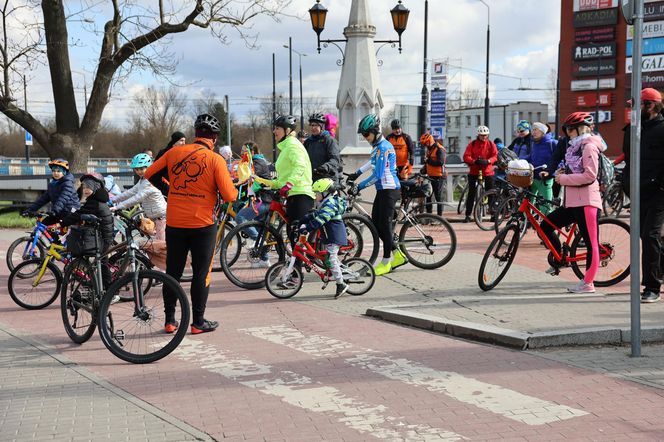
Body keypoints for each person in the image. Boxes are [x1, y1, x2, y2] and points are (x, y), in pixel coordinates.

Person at [144, 114, 237, 335]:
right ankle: (198, 322)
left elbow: (149, 174)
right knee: (201, 273)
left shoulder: (174, 152)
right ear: (214, 138)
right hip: (202, 224)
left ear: (196, 134)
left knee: (172, 272)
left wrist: (170, 191)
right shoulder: (216, 160)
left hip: (175, 222)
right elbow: (229, 194)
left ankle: (169, 320)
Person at [541, 112, 602, 294]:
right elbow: (574, 169)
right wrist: (561, 172)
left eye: (570, 129)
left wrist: (564, 179)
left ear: (579, 129)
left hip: (587, 202)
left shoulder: (589, 147)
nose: (567, 132)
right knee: (546, 225)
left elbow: (590, 176)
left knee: (592, 244)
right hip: (572, 202)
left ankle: (588, 283)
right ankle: (560, 258)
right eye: (566, 129)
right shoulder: (574, 147)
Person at [347, 114, 404, 276]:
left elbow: (378, 174)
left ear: (375, 131)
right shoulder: (377, 147)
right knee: (376, 225)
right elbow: (371, 163)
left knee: (384, 225)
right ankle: (398, 254)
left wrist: (360, 186)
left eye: (366, 134)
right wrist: (356, 173)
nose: (365, 138)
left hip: (390, 190)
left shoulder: (384, 147)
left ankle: (386, 261)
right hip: (383, 190)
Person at [622, 88, 664, 303]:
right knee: (646, 237)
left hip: (658, 194)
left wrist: (660, 185)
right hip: (637, 193)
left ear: (652, 106)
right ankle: (660, 268)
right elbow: (629, 160)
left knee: (649, 237)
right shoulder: (631, 130)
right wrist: (626, 185)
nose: (634, 109)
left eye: (639, 105)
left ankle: (652, 287)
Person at [264, 115, 315, 266]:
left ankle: (296, 273)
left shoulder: (293, 145)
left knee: (296, 235)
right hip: (293, 194)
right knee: (292, 233)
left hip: (301, 193)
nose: (274, 131)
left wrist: (289, 185)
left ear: (287, 130)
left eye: (277, 128)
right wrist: (264, 183)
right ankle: (295, 269)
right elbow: (282, 178)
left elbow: (299, 167)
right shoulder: (286, 147)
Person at [59, 173, 114, 289]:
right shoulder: (96, 199)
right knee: (101, 262)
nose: (86, 190)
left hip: (104, 237)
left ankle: (111, 290)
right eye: (84, 187)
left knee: (102, 263)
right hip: (101, 235)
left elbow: (79, 214)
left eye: (89, 187)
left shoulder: (95, 202)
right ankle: (100, 287)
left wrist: (62, 222)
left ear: (96, 187)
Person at [298, 178, 349, 298]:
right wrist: (303, 220)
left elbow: (321, 219)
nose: (315, 196)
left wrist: (308, 227)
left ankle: (341, 284)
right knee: (328, 258)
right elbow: (316, 214)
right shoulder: (326, 203)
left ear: (325, 192)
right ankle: (336, 273)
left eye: (317, 193)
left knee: (331, 259)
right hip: (330, 235)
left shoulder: (330, 203)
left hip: (335, 236)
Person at [110, 153, 167, 240]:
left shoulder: (150, 182)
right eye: (136, 169)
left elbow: (138, 198)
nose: (139, 171)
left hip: (161, 218)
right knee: (155, 244)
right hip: (154, 217)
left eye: (142, 168)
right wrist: (112, 200)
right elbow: (130, 192)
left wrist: (118, 207)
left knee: (161, 245)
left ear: (149, 167)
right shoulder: (142, 180)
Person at [24, 158, 80, 226]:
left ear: (64, 172)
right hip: (58, 211)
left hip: (70, 211)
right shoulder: (52, 184)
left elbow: (63, 198)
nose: (55, 173)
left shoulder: (67, 183)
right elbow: (43, 199)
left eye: (58, 171)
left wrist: (55, 210)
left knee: (62, 230)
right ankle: (54, 237)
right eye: (53, 171)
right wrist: (30, 210)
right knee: (44, 225)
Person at [462, 126, 498, 223]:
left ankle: (493, 213)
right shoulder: (472, 144)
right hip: (474, 170)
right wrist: (473, 161)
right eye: (482, 135)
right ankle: (468, 215)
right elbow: (466, 156)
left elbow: (495, 155)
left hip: (487, 171)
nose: (484, 137)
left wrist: (488, 161)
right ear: (478, 135)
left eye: (485, 135)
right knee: (471, 193)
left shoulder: (491, 144)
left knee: (491, 192)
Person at [526, 122, 557, 215]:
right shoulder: (534, 144)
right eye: (532, 130)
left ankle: (551, 227)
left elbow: (560, 159)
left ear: (543, 131)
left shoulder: (552, 143)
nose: (533, 132)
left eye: (536, 130)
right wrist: (518, 160)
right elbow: (531, 157)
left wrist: (551, 171)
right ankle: (526, 223)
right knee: (528, 202)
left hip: (545, 178)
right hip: (533, 177)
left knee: (545, 207)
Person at [304, 112, 341, 183]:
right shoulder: (308, 142)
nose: (313, 128)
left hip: (328, 179)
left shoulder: (329, 140)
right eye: (311, 125)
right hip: (312, 179)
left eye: (316, 125)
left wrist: (325, 167)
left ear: (321, 126)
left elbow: (335, 160)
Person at [152, 131, 186, 197]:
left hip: (177, 187)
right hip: (164, 186)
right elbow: (155, 170)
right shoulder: (163, 153)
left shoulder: (183, 154)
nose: (184, 143)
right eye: (181, 141)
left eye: (184, 141)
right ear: (175, 141)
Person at [419, 133, 446, 216]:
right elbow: (428, 162)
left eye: (426, 143)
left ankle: (439, 217)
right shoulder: (430, 149)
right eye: (424, 144)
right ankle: (429, 215)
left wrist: (428, 161)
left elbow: (440, 162)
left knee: (438, 197)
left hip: (439, 176)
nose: (425, 145)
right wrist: (424, 169)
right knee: (428, 196)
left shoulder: (439, 149)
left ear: (430, 141)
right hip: (430, 176)